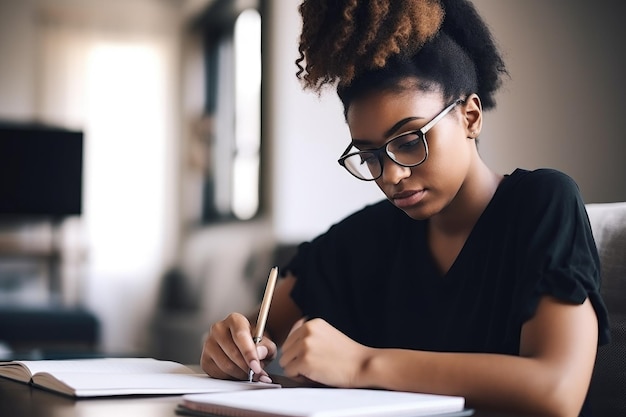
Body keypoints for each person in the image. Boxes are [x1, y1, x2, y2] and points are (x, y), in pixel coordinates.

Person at [201, 1, 611, 416]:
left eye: (411, 140)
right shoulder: (369, 237)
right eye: (370, 155)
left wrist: (362, 364)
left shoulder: (541, 203)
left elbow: (556, 392)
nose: (391, 175)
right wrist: (235, 344)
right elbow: (264, 324)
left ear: (470, 117)